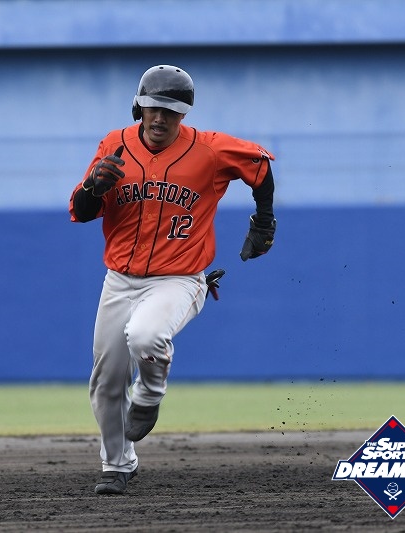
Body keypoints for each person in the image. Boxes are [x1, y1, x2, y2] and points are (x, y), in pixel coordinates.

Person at [69, 65, 276, 495]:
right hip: (119, 280)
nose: (161, 117)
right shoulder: (114, 144)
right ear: (139, 108)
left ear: (184, 115)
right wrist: (92, 187)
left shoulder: (210, 149)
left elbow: (259, 164)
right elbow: (83, 211)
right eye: (153, 108)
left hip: (178, 279)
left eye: (171, 110)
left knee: (146, 335)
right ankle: (117, 465)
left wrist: (264, 219)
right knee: (106, 380)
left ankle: (149, 396)